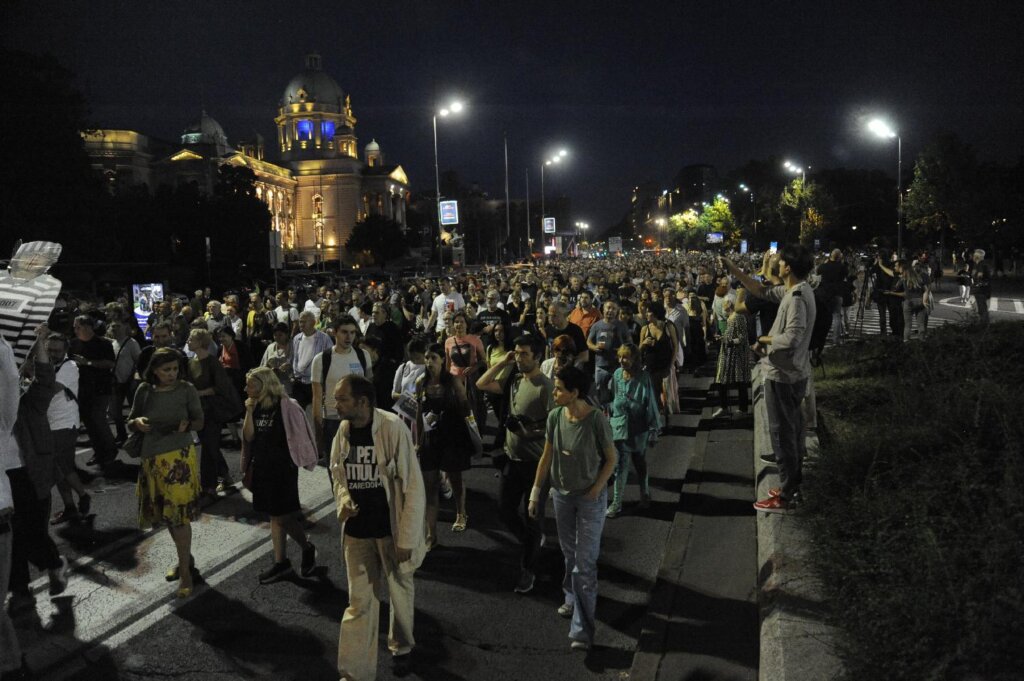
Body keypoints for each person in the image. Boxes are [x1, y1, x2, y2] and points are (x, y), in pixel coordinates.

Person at [330, 374, 426, 681]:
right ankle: (354, 674)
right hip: (357, 533)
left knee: (399, 595)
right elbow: (337, 474)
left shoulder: (391, 428)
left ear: (362, 402)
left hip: (390, 530)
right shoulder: (342, 432)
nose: (336, 405)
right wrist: (343, 498)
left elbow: (412, 486)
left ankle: (402, 647)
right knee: (359, 603)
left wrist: (407, 538)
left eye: (342, 399)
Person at [721, 245, 816, 513]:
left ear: (788, 267)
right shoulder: (794, 290)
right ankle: (792, 486)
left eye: (780, 261)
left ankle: (787, 496)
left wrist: (763, 340)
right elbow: (760, 291)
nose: (777, 263)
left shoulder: (796, 297)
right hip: (790, 372)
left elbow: (792, 338)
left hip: (784, 376)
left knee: (782, 434)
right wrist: (734, 269)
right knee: (792, 430)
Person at [528, 366, 617, 651]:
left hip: (590, 499)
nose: (554, 393)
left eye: (558, 389)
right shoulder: (555, 417)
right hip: (562, 497)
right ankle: (570, 596)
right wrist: (535, 493)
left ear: (575, 393)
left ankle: (581, 630)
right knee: (569, 554)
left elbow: (612, 458)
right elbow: (546, 456)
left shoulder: (596, 421)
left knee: (585, 563)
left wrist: (596, 488)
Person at [476, 333, 554, 593]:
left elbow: (553, 426)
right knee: (504, 510)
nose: (519, 358)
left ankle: (528, 569)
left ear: (538, 357)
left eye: (524, 354)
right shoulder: (514, 380)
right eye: (517, 353)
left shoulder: (546, 387)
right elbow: (481, 383)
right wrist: (504, 362)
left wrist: (529, 432)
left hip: (536, 463)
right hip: (512, 459)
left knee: (533, 516)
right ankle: (531, 541)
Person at [128, 347, 204, 598]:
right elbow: (131, 419)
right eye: (165, 370)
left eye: (174, 369)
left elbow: (200, 421)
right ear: (154, 371)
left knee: (179, 516)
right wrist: (137, 423)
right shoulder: (144, 391)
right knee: (167, 515)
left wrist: (187, 425)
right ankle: (186, 560)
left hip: (179, 459)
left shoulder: (186, 389)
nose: (171, 374)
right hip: (153, 458)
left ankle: (185, 573)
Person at [240, 367, 320, 584]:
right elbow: (248, 436)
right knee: (279, 516)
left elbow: (301, 433)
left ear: (264, 384)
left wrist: (306, 457)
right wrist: (248, 411)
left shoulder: (286, 406)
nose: (246, 388)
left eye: (250, 384)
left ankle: (292, 555)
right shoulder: (255, 406)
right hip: (263, 467)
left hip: (283, 468)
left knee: (280, 516)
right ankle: (291, 556)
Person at [416, 343, 473, 540]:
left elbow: (466, 409)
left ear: (442, 360)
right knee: (430, 485)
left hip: (452, 437)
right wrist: (418, 440)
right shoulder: (420, 383)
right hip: (430, 439)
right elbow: (418, 413)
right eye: (427, 358)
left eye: (433, 358)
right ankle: (432, 535)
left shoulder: (454, 382)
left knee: (454, 479)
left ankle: (461, 512)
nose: (429, 362)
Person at [606, 344, 661, 518]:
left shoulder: (644, 377)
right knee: (620, 465)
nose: (622, 361)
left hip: (639, 428)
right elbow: (614, 396)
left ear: (635, 358)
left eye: (626, 357)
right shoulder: (616, 374)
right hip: (620, 425)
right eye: (620, 357)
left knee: (639, 462)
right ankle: (617, 502)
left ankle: (644, 494)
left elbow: (650, 403)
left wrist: (654, 429)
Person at [185, 328, 238, 496]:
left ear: (201, 342)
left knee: (209, 446)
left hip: (213, 410)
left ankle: (208, 484)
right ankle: (225, 475)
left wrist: (199, 392)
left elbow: (221, 387)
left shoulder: (212, 362)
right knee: (210, 445)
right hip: (198, 410)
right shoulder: (190, 362)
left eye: (191, 339)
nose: (188, 341)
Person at [312, 316, 372, 461]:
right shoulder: (322, 359)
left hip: (359, 420)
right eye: (344, 332)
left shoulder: (363, 356)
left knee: (357, 473)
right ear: (334, 332)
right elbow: (317, 398)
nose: (349, 337)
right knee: (335, 470)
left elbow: (369, 392)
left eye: (352, 333)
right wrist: (318, 436)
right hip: (333, 420)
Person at [46, 333, 91, 524]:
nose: (53, 354)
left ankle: (82, 495)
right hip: (48, 422)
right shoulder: (48, 365)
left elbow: (50, 388)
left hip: (64, 423)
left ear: (65, 351)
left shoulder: (69, 367)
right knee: (57, 469)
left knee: (61, 465)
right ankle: (69, 507)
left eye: (57, 350)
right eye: (50, 349)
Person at [68, 315, 118, 467]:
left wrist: (88, 363)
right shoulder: (73, 343)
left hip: (100, 388)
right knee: (89, 423)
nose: (75, 330)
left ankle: (110, 452)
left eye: (78, 327)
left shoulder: (102, 343)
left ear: (88, 327)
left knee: (99, 420)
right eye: (74, 327)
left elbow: (110, 363)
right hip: (82, 389)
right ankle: (99, 452)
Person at [712, 297, 753, 418]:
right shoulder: (729, 318)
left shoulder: (738, 317)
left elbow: (743, 337)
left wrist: (729, 341)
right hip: (727, 354)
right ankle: (724, 407)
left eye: (723, 303)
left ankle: (743, 409)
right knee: (722, 381)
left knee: (741, 381)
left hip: (737, 355)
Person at [290, 310, 334, 410]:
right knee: (297, 413)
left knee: (315, 412)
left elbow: (331, 360)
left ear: (313, 323)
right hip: (299, 382)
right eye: (300, 321)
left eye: (304, 322)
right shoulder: (297, 338)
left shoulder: (324, 339)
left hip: (315, 382)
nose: (301, 324)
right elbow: (294, 358)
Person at [587, 300, 628, 407]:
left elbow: (629, 343)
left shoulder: (622, 326)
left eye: (613, 308)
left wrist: (622, 350)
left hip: (617, 365)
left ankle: (617, 411)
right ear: (603, 309)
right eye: (608, 308)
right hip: (601, 365)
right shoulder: (596, 326)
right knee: (600, 390)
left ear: (617, 311)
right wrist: (595, 347)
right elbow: (588, 342)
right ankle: (604, 412)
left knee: (618, 390)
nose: (610, 311)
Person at [259, 322, 294, 395]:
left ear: (287, 334)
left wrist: (288, 366)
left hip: (289, 386)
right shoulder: (270, 347)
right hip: (272, 385)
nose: (277, 337)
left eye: (280, 335)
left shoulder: (294, 346)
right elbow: (263, 366)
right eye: (275, 335)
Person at [970, 249, 992, 326]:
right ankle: (984, 324)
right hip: (980, 290)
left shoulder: (982, 265)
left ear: (977, 256)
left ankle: (984, 325)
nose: (972, 256)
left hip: (981, 290)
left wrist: (975, 286)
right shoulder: (977, 265)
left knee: (982, 309)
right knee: (981, 308)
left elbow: (980, 278)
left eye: (974, 255)